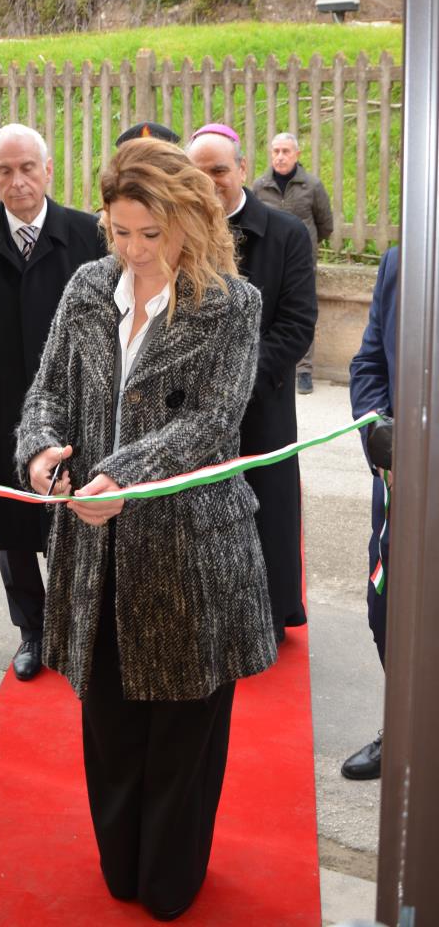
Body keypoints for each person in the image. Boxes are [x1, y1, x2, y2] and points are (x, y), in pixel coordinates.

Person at [16, 138, 277, 921]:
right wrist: (39, 452)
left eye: (149, 234)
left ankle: (171, 876)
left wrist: (119, 478)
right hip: (96, 548)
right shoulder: (88, 287)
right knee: (110, 722)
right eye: (119, 231)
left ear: (189, 221)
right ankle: (120, 863)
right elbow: (45, 392)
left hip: (191, 552)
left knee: (183, 734)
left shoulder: (232, 303)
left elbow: (210, 423)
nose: (132, 251)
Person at [0, 123, 105, 681]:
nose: (17, 182)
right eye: (5, 171)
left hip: (75, 415)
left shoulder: (88, 235)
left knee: (75, 521)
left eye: (27, 168)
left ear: (48, 169)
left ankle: (76, 625)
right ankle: (31, 631)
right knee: (12, 531)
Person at [186, 124, 317, 643]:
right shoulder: (173, 231)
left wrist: (235, 382)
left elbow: (296, 326)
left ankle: (268, 614)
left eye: (219, 170)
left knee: (267, 514)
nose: (209, 181)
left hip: (262, 404)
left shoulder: (286, 235)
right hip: (192, 409)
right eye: (197, 172)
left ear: (242, 170)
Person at [341, 245, 397, 781]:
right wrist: (379, 437)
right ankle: (403, 724)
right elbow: (370, 363)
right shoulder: (399, 261)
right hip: (397, 484)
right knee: (386, 613)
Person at [252, 132, 333, 394]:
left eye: (286, 151)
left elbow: (325, 225)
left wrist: (301, 246)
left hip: (301, 263)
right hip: (268, 260)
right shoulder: (260, 186)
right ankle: (263, 363)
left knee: (299, 313)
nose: (280, 156)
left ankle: (304, 370)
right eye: (276, 151)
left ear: (297, 155)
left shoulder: (312, 185)